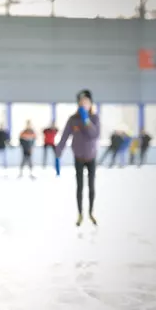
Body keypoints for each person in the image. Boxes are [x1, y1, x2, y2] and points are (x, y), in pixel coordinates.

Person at [55, 90, 100, 227]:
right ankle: (80, 213)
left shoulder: (94, 118)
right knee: (79, 186)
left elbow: (94, 134)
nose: (83, 104)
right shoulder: (73, 119)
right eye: (81, 102)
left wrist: (86, 120)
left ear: (90, 103)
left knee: (91, 186)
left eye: (86, 102)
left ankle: (91, 212)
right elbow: (65, 136)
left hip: (91, 156)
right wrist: (58, 152)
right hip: (78, 156)